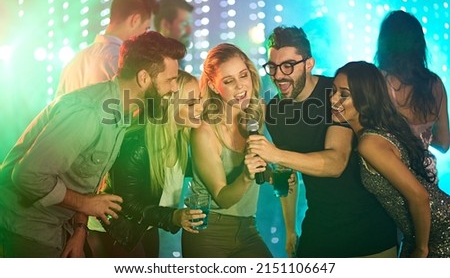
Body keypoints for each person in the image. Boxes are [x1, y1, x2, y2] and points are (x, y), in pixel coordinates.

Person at [0, 31, 183, 257]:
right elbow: (27, 176)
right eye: (171, 79)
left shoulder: (120, 113)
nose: (175, 88)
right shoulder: (89, 114)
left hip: (60, 228)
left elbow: (83, 179)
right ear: (144, 78)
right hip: (28, 228)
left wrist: (79, 229)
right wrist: (85, 204)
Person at [246, 26, 397, 257]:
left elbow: (336, 163)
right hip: (319, 226)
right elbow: (287, 175)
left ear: (309, 64)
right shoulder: (275, 110)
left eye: (288, 65)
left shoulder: (336, 93)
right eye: (273, 67)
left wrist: (274, 153)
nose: (278, 75)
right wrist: (289, 230)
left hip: (368, 229)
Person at [331, 61, 450, 257]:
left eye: (344, 94)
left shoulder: (369, 143)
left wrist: (421, 249)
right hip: (423, 234)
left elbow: (420, 197)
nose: (333, 99)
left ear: (365, 99)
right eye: (333, 91)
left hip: (439, 234)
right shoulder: (374, 133)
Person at [87, 70, 204, 257]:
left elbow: (201, 170)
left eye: (200, 99)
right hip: (115, 231)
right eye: (191, 103)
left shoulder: (180, 137)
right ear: (168, 105)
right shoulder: (137, 141)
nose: (200, 108)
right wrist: (173, 217)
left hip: (145, 227)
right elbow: (127, 203)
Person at [182, 43, 272, 258]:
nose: (241, 86)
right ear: (213, 86)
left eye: (243, 75)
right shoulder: (205, 131)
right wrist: (247, 175)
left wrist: (270, 174)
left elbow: (257, 168)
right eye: (229, 81)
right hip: (209, 230)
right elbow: (222, 197)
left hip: (248, 227)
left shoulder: (254, 116)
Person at [375, 10, 449, 183]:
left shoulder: (377, 79)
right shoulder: (435, 84)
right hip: (425, 176)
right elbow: (444, 143)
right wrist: (420, 138)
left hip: (389, 176)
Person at [56, 0, 158, 96]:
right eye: (146, 28)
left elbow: (56, 111)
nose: (145, 35)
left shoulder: (73, 62)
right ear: (135, 20)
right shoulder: (123, 64)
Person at [153, 0, 194, 72]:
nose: (189, 31)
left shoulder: (175, 59)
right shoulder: (154, 63)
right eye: (184, 24)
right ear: (165, 25)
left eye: (190, 24)